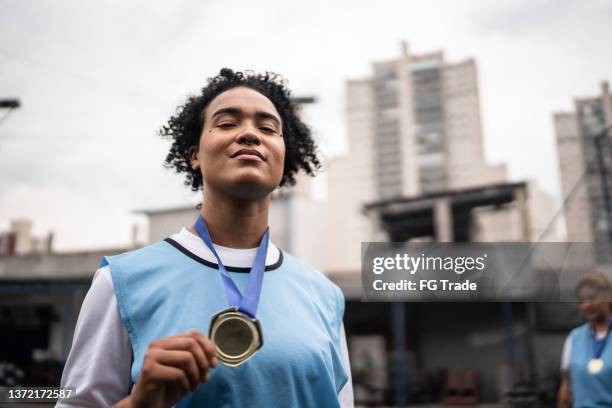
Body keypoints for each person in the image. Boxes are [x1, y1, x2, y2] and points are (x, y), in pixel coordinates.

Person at [57, 68, 353, 408]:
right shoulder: (120, 283)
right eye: (227, 123)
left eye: (267, 128)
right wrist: (139, 403)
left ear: (283, 157)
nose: (250, 135)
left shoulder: (325, 296)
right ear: (194, 154)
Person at [558, 271, 612, 408]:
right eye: (582, 301)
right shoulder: (574, 338)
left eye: (592, 298)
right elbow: (565, 390)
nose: (587, 304)